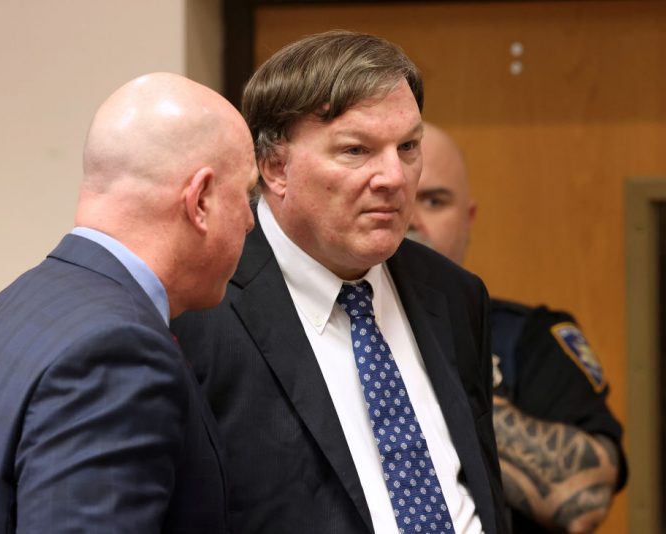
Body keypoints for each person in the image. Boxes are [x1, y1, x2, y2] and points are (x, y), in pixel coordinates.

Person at [171, 31, 506, 534]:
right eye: (356, 150)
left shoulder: (454, 295)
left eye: (408, 147)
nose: (394, 177)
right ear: (275, 167)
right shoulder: (199, 307)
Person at [0, 72, 258, 533]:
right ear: (199, 199)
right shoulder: (119, 353)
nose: (249, 220)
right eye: (246, 194)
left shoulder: (7, 312)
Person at [408, 123, 627, 533]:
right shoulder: (318, 331)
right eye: (398, 197)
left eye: (434, 200)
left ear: (468, 218)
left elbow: (584, 500)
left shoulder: (526, 337)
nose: (412, 219)